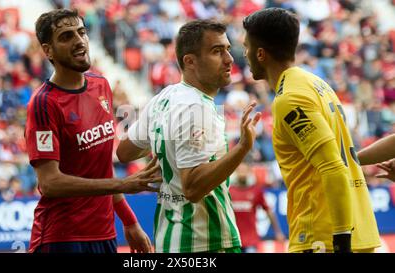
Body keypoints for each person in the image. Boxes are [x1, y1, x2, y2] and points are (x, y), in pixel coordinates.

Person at [116, 19, 262, 253]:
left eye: (227, 48)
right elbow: (193, 188)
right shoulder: (197, 107)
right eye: (217, 51)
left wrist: (163, 143)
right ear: (190, 61)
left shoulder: (164, 97)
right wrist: (243, 147)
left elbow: (124, 152)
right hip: (205, 241)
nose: (229, 59)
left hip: (169, 239)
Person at [242, 8, 380, 253]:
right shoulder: (317, 84)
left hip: (322, 236)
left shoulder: (290, 98)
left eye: (246, 47)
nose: (244, 54)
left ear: (260, 54)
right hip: (357, 228)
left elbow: (332, 167)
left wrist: (340, 241)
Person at [24, 9, 162, 253]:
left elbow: (101, 168)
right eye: (66, 36)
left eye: (81, 32)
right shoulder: (44, 103)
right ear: (48, 50)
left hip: (105, 233)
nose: (79, 41)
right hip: (61, 238)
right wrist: (121, 185)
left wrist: (129, 222)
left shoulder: (101, 85)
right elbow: (50, 183)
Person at [229, 162, 285, 253]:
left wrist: (278, 232)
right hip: (232, 241)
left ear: (249, 172)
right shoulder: (229, 192)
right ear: (236, 172)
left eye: (245, 170)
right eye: (240, 170)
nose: (242, 173)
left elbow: (268, 211)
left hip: (251, 240)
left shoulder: (256, 191)